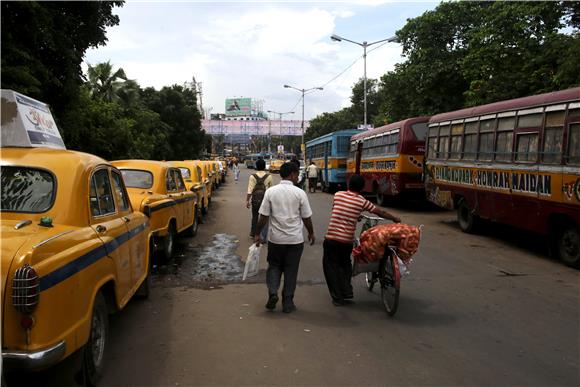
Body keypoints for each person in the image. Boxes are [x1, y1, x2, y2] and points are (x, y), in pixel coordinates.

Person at [323, 174, 401, 306]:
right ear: (362, 187)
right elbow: (379, 212)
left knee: (331, 267)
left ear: (349, 185)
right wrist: (394, 218)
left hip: (332, 238)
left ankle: (337, 297)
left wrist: (355, 215)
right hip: (346, 241)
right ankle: (346, 292)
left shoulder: (338, 195)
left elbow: (338, 210)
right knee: (345, 265)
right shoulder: (361, 201)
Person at [255, 162, 315, 313]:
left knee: (274, 266)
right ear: (293, 174)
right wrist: (311, 233)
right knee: (291, 270)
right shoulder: (300, 193)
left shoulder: (271, 192)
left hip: (276, 240)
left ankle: (273, 293)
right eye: (297, 175)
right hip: (295, 241)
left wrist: (257, 233)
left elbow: (263, 216)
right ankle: (288, 303)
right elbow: (306, 217)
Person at [246, 158, 273, 238]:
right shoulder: (269, 176)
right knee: (264, 217)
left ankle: (253, 233)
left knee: (255, 216)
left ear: (256, 166)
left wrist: (247, 201)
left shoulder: (252, 176)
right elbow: (271, 190)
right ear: (264, 166)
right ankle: (262, 235)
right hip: (266, 200)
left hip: (255, 200)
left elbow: (250, 190)